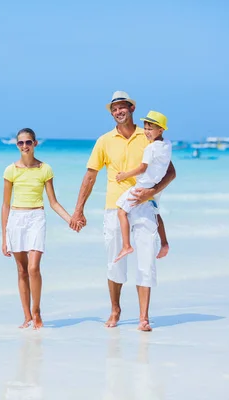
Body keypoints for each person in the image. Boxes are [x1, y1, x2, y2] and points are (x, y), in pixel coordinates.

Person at [69, 91, 176, 331]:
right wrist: (78, 210)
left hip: (145, 206)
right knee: (114, 262)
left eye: (122, 107)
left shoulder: (148, 135)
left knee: (146, 260)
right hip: (114, 207)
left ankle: (143, 317)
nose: (119, 111)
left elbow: (171, 171)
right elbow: (90, 175)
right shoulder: (104, 141)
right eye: (114, 109)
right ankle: (115, 309)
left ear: (131, 109)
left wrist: (152, 191)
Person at [1, 128, 74, 330]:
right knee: (21, 270)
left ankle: (37, 311)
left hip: (36, 217)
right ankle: (27, 317)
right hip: (16, 219)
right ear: (17, 145)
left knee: (33, 268)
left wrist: (70, 219)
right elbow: (5, 205)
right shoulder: (10, 170)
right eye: (21, 143)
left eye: (28, 142)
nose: (25, 146)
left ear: (35, 144)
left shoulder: (45, 169)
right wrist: (4, 237)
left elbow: (53, 202)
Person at [114, 111, 172, 262]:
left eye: (150, 128)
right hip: (156, 185)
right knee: (156, 212)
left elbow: (142, 168)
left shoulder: (150, 149)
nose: (146, 131)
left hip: (142, 186)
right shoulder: (167, 145)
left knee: (121, 211)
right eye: (145, 127)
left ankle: (126, 245)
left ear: (160, 130)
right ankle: (164, 243)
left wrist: (124, 175)